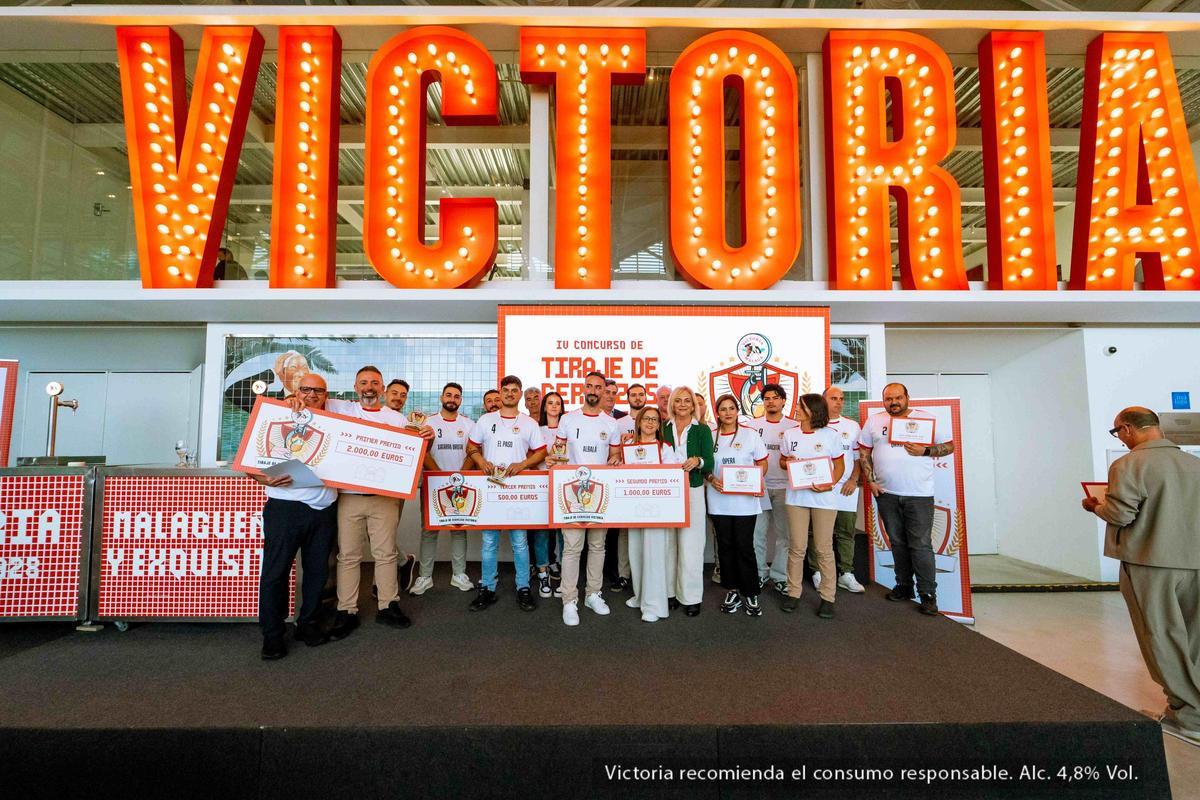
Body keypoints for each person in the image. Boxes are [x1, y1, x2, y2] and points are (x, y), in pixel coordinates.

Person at [1083, 406, 1200, 746]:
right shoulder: (1193, 463)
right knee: (1194, 638)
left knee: (1160, 636)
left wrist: (1095, 506)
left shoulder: (1129, 465)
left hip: (1151, 562)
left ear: (1129, 429)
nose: (1119, 439)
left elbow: (1119, 515)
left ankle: (1188, 716)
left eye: (1117, 432)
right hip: (1194, 560)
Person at [323, 366, 433, 638]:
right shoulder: (340, 409)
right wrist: (292, 398)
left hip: (383, 498)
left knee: (384, 554)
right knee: (348, 556)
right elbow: (309, 400)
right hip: (349, 497)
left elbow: (414, 452)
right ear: (355, 386)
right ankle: (346, 609)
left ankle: (388, 605)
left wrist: (426, 440)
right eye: (363, 382)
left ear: (382, 388)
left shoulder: (396, 419)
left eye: (374, 383)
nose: (369, 387)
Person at [252, 373, 337, 660]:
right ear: (295, 391)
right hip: (284, 510)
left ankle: (308, 624)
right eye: (306, 389)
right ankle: (272, 635)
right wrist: (262, 479)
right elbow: (248, 462)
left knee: (317, 573)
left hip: (324, 509)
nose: (312, 394)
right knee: (275, 573)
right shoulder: (275, 415)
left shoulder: (335, 422)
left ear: (327, 395)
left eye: (319, 390)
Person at [858, 382, 954, 615]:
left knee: (920, 544)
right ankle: (903, 585)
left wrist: (926, 451)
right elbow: (864, 451)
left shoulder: (926, 419)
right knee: (897, 542)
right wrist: (870, 480)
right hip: (886, 493)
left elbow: (949, 446)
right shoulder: (874, 420)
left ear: (907, 397)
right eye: (888, 399)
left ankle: (928, 594)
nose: (893, 402)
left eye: (897, 398)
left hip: (918, 494)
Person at [466, 374, 544, 612]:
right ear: (500, 393)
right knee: (489, 542)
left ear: (520, 394)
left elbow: (541, 452)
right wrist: (480, 460)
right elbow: (471, 447)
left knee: (519, 542)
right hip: (491, 489)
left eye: (514, 390)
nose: (510, 393)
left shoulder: (529, 423)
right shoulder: (485, 420)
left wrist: (522, 464)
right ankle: (487, 587)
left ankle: (523, 587)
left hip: (516, 491)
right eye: (506, 390)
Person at [555, 371, 621, 626]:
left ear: (605, 391)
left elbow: (614, 455)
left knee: (597, 546)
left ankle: (593, 593)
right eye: (589, 386)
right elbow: (559, 452)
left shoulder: (611, 423)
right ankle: (569, 600)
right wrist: (555, 457)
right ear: (584, 388)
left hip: (599, 495)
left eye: (599, 387)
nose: (593, 390)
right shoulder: (567, 419)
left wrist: (615, 460)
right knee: (572, 548)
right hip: (571, 494)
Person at [780, 393, 845, 619]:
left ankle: (828, 597)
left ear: (812, 410)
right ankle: (793, 592)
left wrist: (830, 484)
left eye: (800, 406)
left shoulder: (831, 435)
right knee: (797, 547)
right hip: (796, 498)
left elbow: (839, 465)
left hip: (824, 500)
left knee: (824, 549)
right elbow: (782, 460)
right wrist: (787, 462)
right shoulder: (789, 434)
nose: (796, 409)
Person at [707, 394, 770, 617]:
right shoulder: (710, 436)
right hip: (718, 501)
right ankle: (732, 589)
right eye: (723, 409)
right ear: (717, 412)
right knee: (725, 547)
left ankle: (750, 592)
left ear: (737, 410)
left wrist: (753, 480)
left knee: (744, 547)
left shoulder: (750, 435)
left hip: (744, 503)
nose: (727, 412)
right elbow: (705, 466)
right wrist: (712, 480)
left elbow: (763, 464)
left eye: (731, 408)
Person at [411, 382, 476, 596]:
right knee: (429, 531)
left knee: (458, 531)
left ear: (460, 400)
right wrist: (440, 476)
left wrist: (458, 478)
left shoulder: (468, 424)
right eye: (448, 395)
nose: (452, 399)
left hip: (460, 485)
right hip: (433, 483)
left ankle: (459, 574)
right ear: (441, 397)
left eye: (457, 396)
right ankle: (425, 577)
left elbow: (472, 451)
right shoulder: (428, 422)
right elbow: (423, 453)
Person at [623, 405, 680, 622]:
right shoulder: (628, 445)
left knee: (654, 555)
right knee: (636, 551)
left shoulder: (665, 448)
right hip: (633, 507)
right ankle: (640, 596)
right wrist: (618, 463)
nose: (650, 423)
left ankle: (654, 605)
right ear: (638, 422)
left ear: (659, 425)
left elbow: (672, 476)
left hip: (657, 509)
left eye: (654, 420)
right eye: (646, 419)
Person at [661, 386, 714, 617]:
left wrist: (698, 461)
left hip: (692, 489)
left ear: (694, 405)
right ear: (671, 404)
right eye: (678, 401)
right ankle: (669, 593)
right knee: (668, 543)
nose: (682, 405)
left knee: (691, 545)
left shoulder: (702, 430)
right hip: (666, 492)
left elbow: (710, 462)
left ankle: (691, 597)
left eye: (687, 401)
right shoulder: (662, 427)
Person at [811, 386, 865, 593]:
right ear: (823, 401)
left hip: (845, 489)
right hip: (819, 489)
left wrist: (853, 479)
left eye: (841, 398)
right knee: (816, 532)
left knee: (845, 532)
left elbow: (858, 457)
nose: (839, 402)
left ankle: (846, 574)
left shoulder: (852, 426)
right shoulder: (812, 426)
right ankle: (817, 572)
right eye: (834, 398)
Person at [749, 383, 799, 594]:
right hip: (759, 487)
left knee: (784, 536)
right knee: (756, 534)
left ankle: (779, 575)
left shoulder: (794, 426)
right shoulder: (752, 425)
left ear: (783, 401)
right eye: (767, 398)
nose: (771, 401)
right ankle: (760, 573)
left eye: (775, 398)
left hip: (785, 487)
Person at [608, 382, 649, 592]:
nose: (637, 398)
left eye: (641, 394)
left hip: (649, 484)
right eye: (633, 395)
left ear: (646, 396)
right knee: (624, 532)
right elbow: (613, 453)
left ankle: (645, 575)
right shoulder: (618, 423)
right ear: (627, 398)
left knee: (647, 531)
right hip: (624, 483)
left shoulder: (653, 421)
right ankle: (624, 575)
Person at [534, 391, 567, 598]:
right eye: (550, 403)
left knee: (563, 532)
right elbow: (531, 457)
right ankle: (543, 572)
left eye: (558, 403)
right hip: (542, 485)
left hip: (563, 485)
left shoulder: (569, 429)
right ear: (544, 407)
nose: (554, 406)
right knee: (542, 532)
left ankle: (564, 570)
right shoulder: (536, 430)